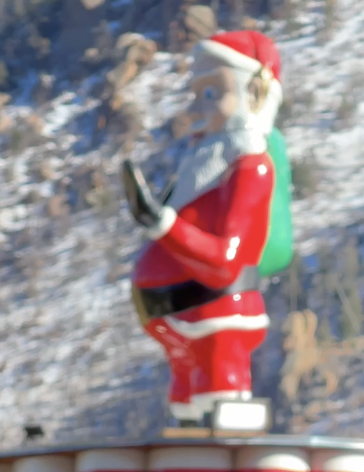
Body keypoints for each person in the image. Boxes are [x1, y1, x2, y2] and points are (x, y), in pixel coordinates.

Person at [123, 30, 294, 427]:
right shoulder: (205, 168)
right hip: (181, 323)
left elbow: (225, 262)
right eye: (198, 96)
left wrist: (162, 224)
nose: (199, 109)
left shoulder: (251, 169)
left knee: (223, 408)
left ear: (255, 95)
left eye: (213, 94)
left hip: (216, 317)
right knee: (187, 417)